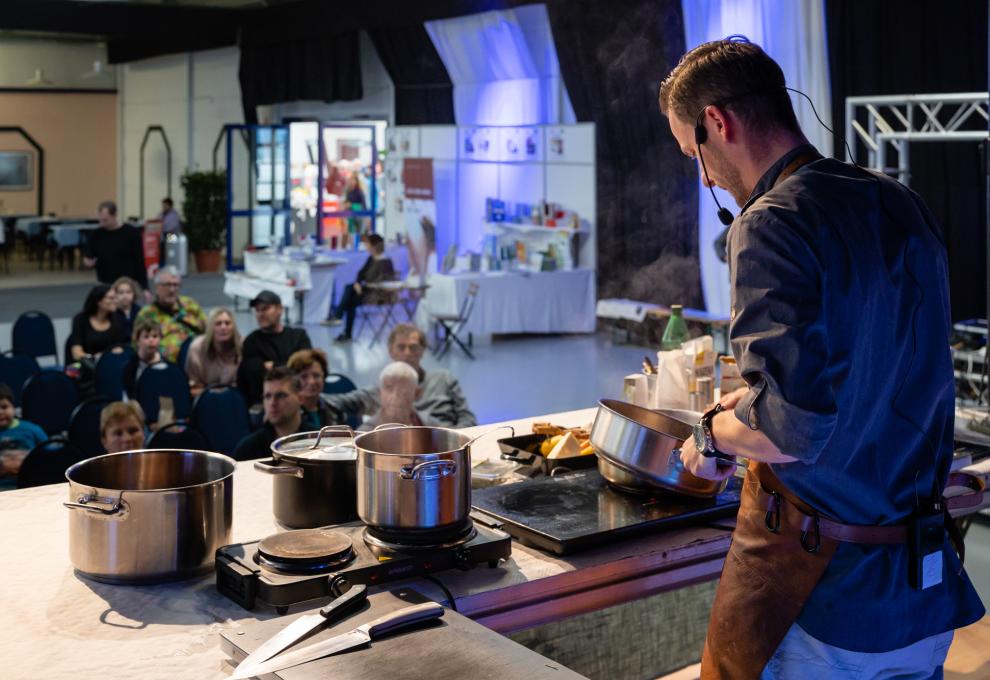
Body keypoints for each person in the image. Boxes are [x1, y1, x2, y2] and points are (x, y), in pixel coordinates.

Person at [658, 38, 983, 678]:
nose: (706, 177)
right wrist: (748, 405)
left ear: (717, 123)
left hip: (825, 601)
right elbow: (875, 376)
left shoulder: (768, 223)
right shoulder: (898, 201)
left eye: (696, 153)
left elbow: (790, 431)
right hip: (920, 592)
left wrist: (713, 434)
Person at [325, 323, 477, 428]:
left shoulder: (443, 379)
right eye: (401, 347)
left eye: (413, 347)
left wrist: (451, 440)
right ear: (391, 351)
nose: (407, 354)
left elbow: (468, 418)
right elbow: (334, 402)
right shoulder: (379, 391)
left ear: (423, 351)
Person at [237, 290, 312, 406]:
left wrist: (273, 366)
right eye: (258, 310)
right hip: (267, 405)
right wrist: (287, 364)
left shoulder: (298, 336)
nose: (261, 314)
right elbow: (253, 376)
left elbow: (305, 368)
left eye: (265, 308)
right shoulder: (251, 342)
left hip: (299, 400)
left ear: (280, 309)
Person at [326, 233, 395, 342]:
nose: (366, 246)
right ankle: (345, 331)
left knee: (349, 292)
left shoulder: (385, 262)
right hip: (366, 291)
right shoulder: (371, 259)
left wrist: (362, 284)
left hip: (378, 294)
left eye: (368, 244)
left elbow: (385, 281)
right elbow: (361, 273)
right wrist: (358, 283)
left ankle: (339, 318)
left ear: (374, 246)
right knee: (350, 298)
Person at [232, 367, 309, 461]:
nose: (272, 403)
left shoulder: (319, 442)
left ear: (300, 398)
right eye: (267, 396)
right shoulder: (247, 450)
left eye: (280, 395)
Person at [134, 266, 207, 364]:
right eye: (167, 285)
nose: (172, 290)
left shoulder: (190, 304)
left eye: (176, 285)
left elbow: (208, 330)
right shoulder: (147, 313)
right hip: (164, 364)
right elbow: (136, 344)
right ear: (157, 287)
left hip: (196, 359)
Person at [83, 200, 148, 291]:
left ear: (115, 215)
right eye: (100, 220)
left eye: (105, 220)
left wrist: (145, 287)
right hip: (104, 283)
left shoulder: (132, 233)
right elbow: (89, 256)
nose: (101, 223)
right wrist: (88, 263)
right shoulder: (95, 234)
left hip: (127, 283)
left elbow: (139, 261)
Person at [0, 383, 48, 489]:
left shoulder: (32, 429)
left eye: (4, 407)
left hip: (32, 485)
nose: (0, 412)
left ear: (13, 407)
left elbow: (49, 456)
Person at [185, 308, 242, 396]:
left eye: (227, 323)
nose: (223, 327)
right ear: (211, 328)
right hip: (206, 397)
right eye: (218, 324)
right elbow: (192, 388)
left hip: (235, 397)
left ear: (233, 327)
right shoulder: (197, 347)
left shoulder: (243, 345)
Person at [287, 348, 344, 430]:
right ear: (293, 380)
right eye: (304, 376)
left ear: (324, 377)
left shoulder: (334, 410)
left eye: (316, 375)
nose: (311, 382)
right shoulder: (287, 413)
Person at [68, 284, 128, 361]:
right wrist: (94, 358)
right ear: (98, 301)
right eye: (111, 298)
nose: (115, 301)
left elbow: (120, 348)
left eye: (115, 298)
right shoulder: (80, 319)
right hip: (85, 365)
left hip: (108, 365)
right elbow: (76, 354)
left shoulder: (117, 320)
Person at [360, 362, 424, 430]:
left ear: (417, 393)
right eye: (389, 388)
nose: (395, 396)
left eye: (404, 389)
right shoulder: (366, 433)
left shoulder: (428, 424)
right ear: (379, 392)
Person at [122, 319, 164, 398]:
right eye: (146, 337)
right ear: (137, 341)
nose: (151, 340)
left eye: (155, 336)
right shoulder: (130, 368)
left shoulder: (165, 365)